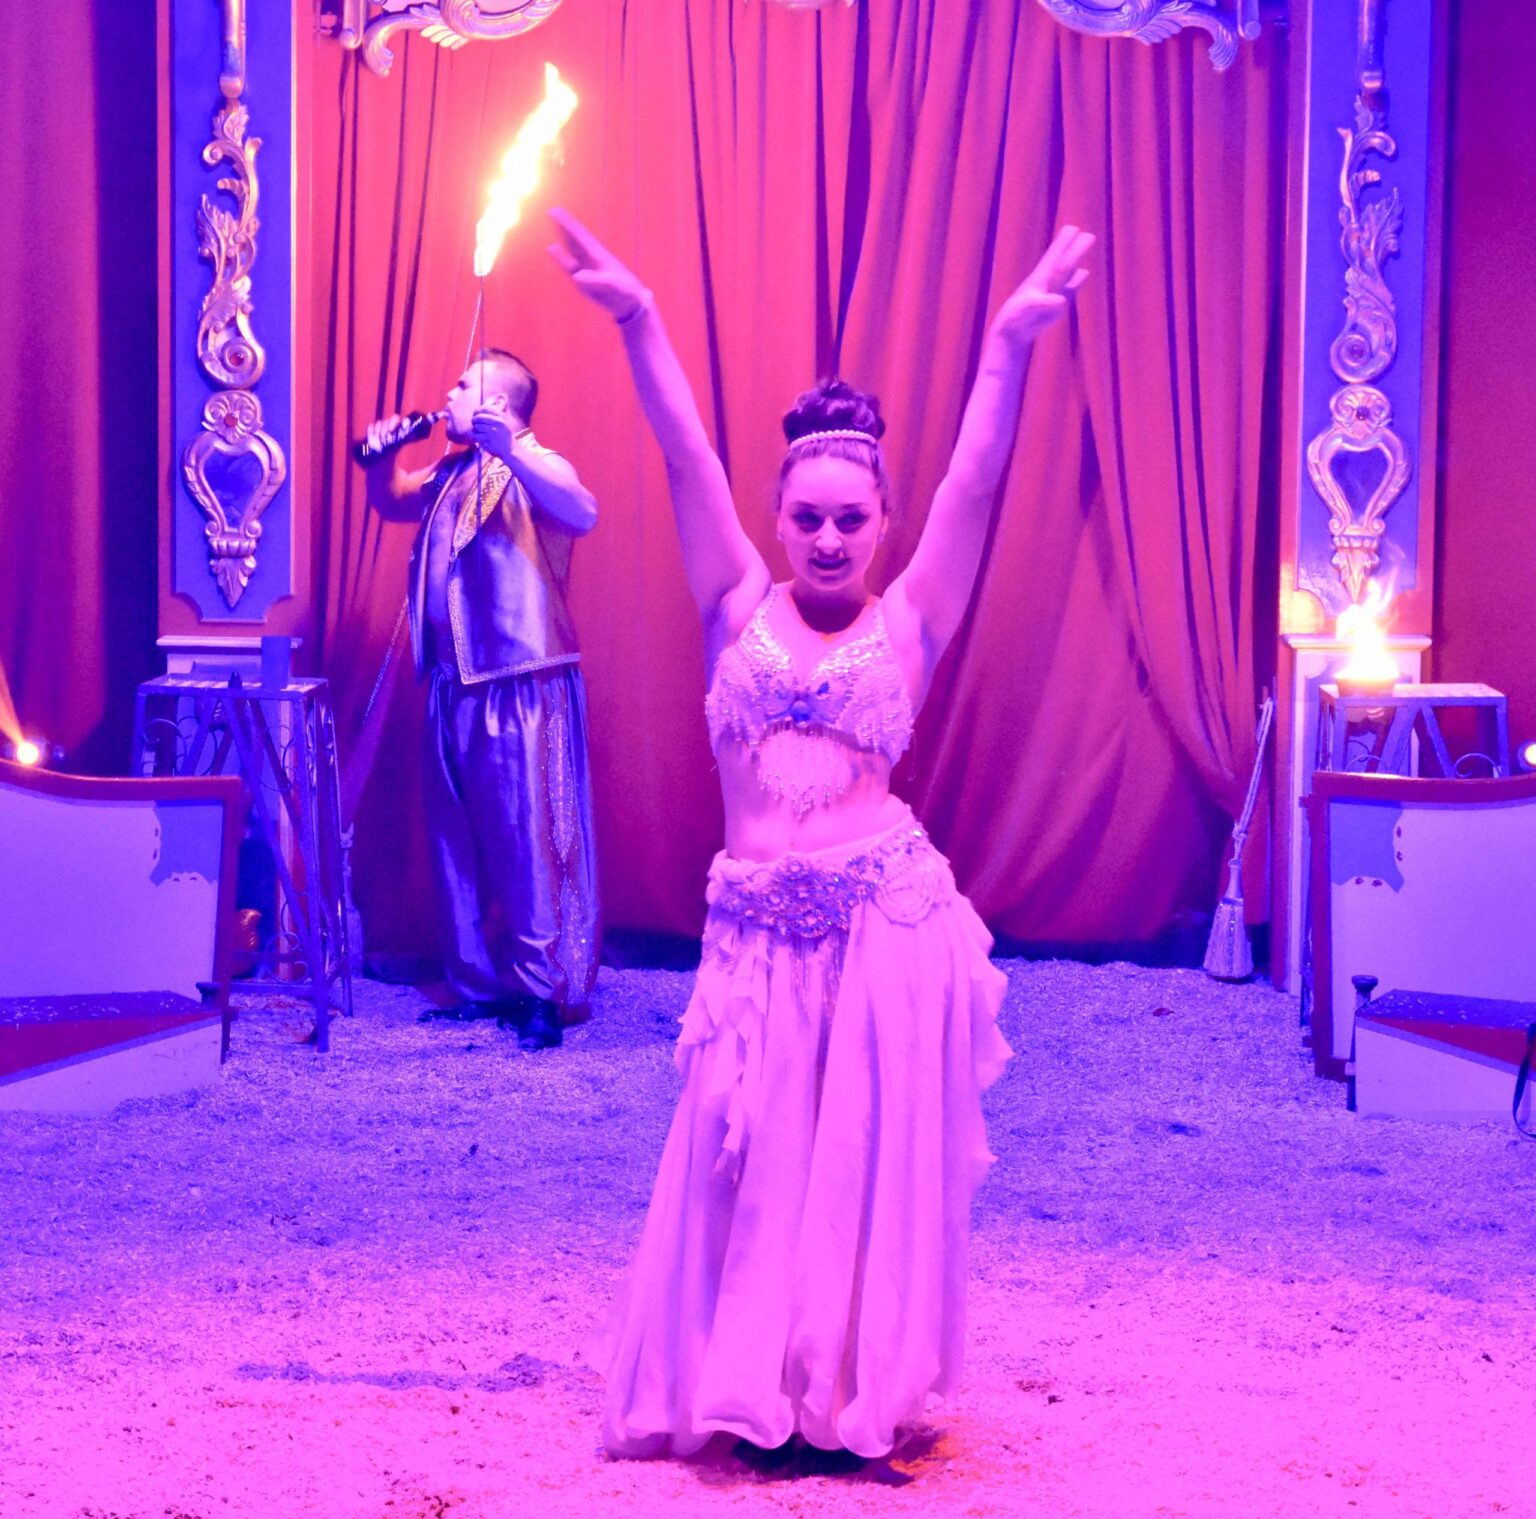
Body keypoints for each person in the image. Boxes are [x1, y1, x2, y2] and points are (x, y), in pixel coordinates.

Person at [549, 209, 1093, 1459]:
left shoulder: (911, 622)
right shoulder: (733, 600)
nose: (832, 539)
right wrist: (639, 319)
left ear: (884, 521)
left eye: (853, 519)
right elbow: (684, 452)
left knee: (848, 1171)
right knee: (743, 1162)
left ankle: (837, 1398)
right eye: (810, 519)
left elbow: (975, 483)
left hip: (881, 934)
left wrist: (1008, 346)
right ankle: (747, 1386)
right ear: (780, 517)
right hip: (754, 940)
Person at [362, 349, 600, 1051]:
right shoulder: (449, 472)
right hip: (449, 681)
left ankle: (541, 992)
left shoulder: (536, 463)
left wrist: (513, 452)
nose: (450, 393)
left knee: (528, 841)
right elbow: (390, 500)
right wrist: (381, 457)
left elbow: (583, 511)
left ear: (498, 404)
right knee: (453, 842)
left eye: (464, 384)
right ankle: (474, 985)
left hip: (519, 679)